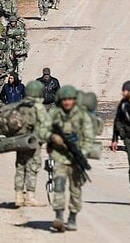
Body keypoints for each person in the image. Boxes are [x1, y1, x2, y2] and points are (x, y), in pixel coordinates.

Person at [48, 85, 94, 232]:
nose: (67, 102)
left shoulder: (82, 116)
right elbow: (42, 130)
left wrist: (81, 153)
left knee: (75, 189)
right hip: (59, 156)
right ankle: (59, 216)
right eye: (64, 99)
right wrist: (52, 137)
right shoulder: (54, 113)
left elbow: (88, 138)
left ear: (74, 100)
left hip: (76, 158)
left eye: (70, 99)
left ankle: (73, 217)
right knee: (58, 185)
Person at [13, 80, 51, 207]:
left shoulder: (20, 105)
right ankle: (30, 197)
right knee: (32, 168)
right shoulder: (39, 107)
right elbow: (45, 125)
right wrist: (43, 140)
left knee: (20, 168)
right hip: (34, 142)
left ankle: (18, 196)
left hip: (20, 141)